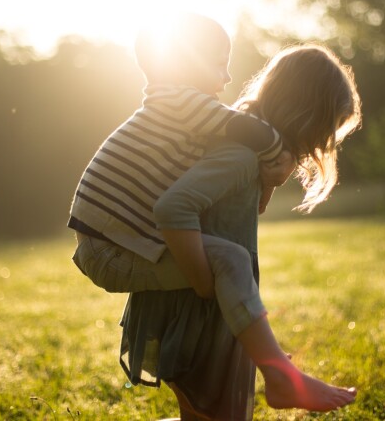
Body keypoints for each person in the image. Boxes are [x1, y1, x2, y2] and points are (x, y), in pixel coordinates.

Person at [120, 43, 362, 419]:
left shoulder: (251, 152)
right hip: (197, 307)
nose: (324, 142)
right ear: (305, 115)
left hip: (214, 303)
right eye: (327, 128)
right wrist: (203, 283)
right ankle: (282, 379)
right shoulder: (241, 155)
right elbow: (173, 207)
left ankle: (279, 376)